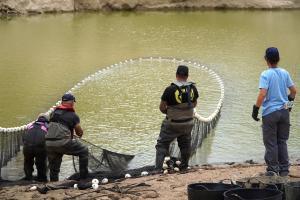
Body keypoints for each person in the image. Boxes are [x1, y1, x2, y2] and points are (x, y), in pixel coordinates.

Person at [252, 47, 297, 176]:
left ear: (266, 59)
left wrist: (255, 110)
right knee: (282, 141)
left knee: (271, 143)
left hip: (270, 113)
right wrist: (289, 106)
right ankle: (284, 170)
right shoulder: (285, 72)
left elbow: (262, 94)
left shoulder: (265, 74)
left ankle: (272, 170)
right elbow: (293, 91)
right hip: (284, 112)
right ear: (278, 59)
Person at [155, 65, 199, 170]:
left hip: (172, 124)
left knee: (161, 145)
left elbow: (162, 108)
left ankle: (157, 170)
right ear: (187, 76)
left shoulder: (170, 89)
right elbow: (194, 104)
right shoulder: (192, 88)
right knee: (185, 145)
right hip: (188, 123)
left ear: (176, 75)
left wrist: (170, 113)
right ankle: (184, 166)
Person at [45, 93, 88, 181]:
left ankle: (54, 183)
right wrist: (79, 133)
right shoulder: (73, 116)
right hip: (63, 142)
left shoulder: (53, 113)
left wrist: (70, 133)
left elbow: (57, 127)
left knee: (54, 166)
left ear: (62, 102)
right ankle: (83, 178)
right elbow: (79, 133)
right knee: (84, 151)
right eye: (73, 102)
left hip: (48, 143)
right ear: (72, 102)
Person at [23, 113, 49, 182]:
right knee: (41, 163)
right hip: (40, 147)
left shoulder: (30, 125)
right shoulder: (47, 126)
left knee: (28, 161)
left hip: (27, 146)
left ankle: (28, 177)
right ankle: (41, 179)